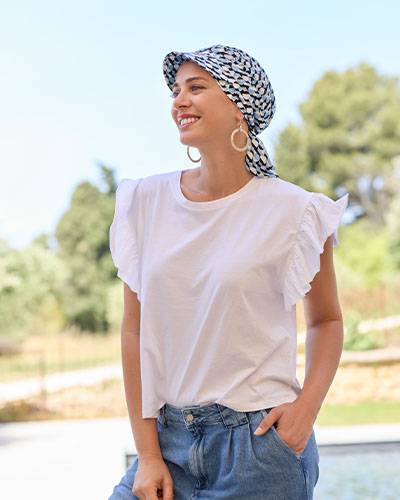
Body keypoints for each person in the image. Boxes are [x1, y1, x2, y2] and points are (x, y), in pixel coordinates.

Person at [107, 44, 349, 500]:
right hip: (168, 442)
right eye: (176, 91)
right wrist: (148, 453)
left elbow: (326, 320)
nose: (179, 100)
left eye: (196, 87)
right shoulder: (143, 202)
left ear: (240, 106)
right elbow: (134, 331)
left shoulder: (297, 211)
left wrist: (305, 411)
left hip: (259, 450)